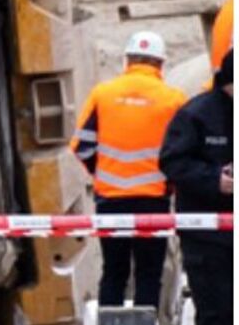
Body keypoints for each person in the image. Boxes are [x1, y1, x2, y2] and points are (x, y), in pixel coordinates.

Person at [71, 31, 187, 308]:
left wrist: (100, 173)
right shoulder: (174, 99)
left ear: (127, 60)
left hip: (110, 200)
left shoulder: (103, 94)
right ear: (160, 64)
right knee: (149, 275)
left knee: (113, 272)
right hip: (153, 203)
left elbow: (81, 146)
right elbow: (182, 153)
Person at [160, 50, 233, 325]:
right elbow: (172, 161)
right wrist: (214, 179)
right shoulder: (197, 115)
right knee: (214, 313)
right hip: (204, 236)